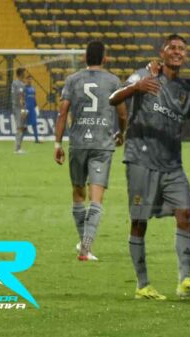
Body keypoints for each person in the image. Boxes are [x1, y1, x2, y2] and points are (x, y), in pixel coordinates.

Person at [109, 34, 190, 300]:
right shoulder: (144, 75)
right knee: (140, 221)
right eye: (172, 48)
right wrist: (137, 87)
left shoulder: (186, 91)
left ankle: (184, 280)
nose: (177, 52)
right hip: (140, 161)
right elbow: (113, 98)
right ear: (162, 52)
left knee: (186, 213)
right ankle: (142, 284)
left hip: (172, 165)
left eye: (182, 49)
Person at [53, 40, 127, 261]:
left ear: (85, 57)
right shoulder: (113, 81)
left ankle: (83, 243)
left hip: (78, 143)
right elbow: (122, 114)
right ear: (105, 58)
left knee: (78, 194)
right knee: (96, 198)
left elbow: (62, 112)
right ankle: (86, 247)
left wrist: (57, 144)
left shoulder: (72, 79)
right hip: (102, 144)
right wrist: (122, 132)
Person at [12, 67, 27, 154]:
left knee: (21, 127)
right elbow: (21, 97)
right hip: (19, 108)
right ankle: (17, 149)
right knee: (20, 127)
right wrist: (23, 109)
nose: (25, 74)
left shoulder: (14, 83)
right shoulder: (20, 84)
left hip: (15, 106)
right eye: (24, 73)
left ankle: (18, 147)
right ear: (21, 74)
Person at [24, 75, 42, 143]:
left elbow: (34, 99)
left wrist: (36, 107)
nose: (30, 80)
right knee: (23, 125)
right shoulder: (24, 88)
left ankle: (36, 140)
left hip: (32, 108)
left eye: (31, 79)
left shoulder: (33, 88)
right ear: (26, 80)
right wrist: (23, 108)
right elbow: (22, 98)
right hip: (26, 108)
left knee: (34, 123)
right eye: (28, 79)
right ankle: (19, 141)